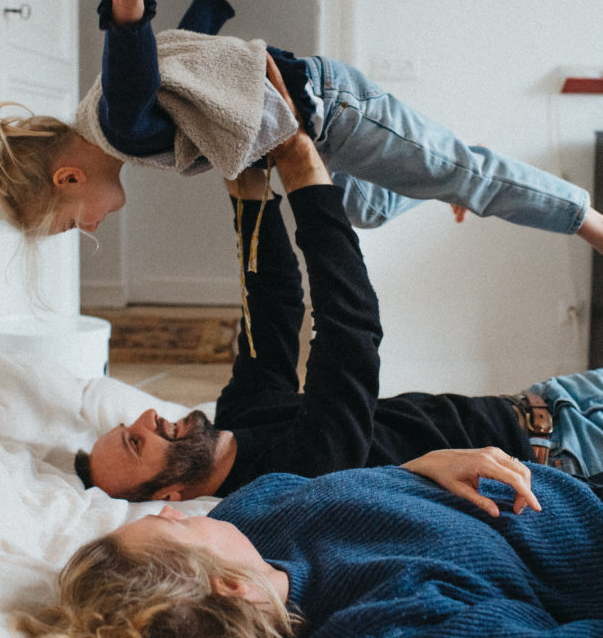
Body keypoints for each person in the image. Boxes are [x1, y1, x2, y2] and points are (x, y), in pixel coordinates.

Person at [74, 88, 603, 503]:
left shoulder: (240, 418)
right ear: (171, 494)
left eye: (130, 427)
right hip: (565, 455)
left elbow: (273, 307)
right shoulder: (298, 476)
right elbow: (349, 333)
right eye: (137, 443)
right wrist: (304, 172)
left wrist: (247, 191)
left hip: (549, 399)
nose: (147, 420)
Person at [0, 0, 603, 267]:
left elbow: (136, 61)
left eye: (72, 225)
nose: (89, 230)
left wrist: (126, 0)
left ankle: (584, 219)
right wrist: (209, 2)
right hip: (313, 134)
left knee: (462, 171)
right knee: (369, 208)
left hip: (330, 108)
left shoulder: (117, 122)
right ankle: (444, 179)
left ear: (68, 178)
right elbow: (186, 57)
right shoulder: (114, 119)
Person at [15, 451, 603, 638]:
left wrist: (419, 468)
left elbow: (358, 489)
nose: (173, 512)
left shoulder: (250, 520)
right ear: (228, 587)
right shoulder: (377, 637)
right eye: (174, 525)